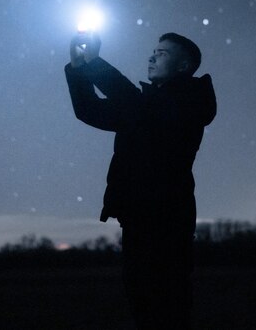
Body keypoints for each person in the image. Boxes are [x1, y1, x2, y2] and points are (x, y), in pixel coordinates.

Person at [64, 31, 217, 329]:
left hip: (167, 220)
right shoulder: (144, 105)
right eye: (153, 51)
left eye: (161, 53)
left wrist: (94, 63)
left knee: (167, 307)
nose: (151, 57)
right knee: (143, 305)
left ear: (184, 66)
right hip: (138, 218)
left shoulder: (191, 100)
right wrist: (77, 67)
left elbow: (141, 108)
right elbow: (89, 110)